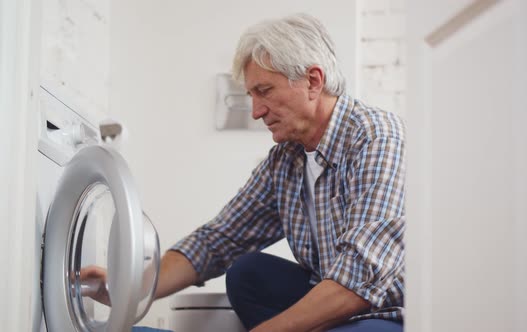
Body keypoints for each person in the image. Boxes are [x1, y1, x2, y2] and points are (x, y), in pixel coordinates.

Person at [85, 13, 406, 332]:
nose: (256, 112)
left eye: (264, 91)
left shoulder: (376, 137)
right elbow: (217, 241)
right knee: (248, 272)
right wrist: (124, 289)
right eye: (251, 96)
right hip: (336, 314)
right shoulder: (286, 161)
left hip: (384, 314)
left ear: (313, 81)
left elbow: (360, 278)